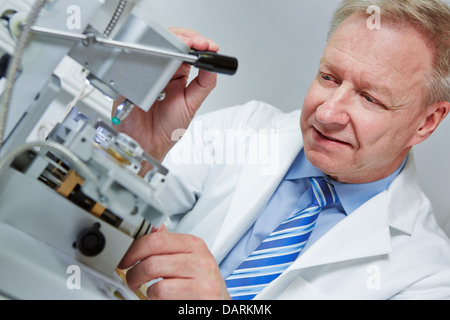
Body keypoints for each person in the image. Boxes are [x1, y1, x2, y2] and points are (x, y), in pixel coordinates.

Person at [115, 0, 450, 300]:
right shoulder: (245, 129)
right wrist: (137, 149)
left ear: (427, 121)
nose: (327, 113)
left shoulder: (427, 277)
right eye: (328, 77)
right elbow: (98, 232)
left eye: (370, 98)